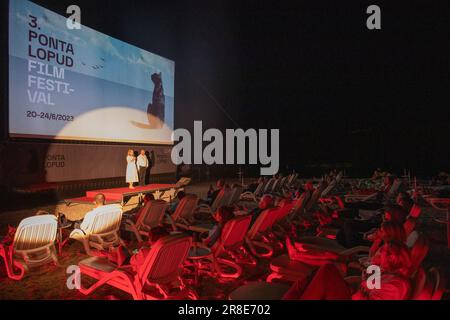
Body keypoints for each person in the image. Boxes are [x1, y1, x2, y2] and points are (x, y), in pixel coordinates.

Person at [283, 241, 412, 300]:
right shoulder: (385, 274)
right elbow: (368, 288)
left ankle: (297, 255)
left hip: (352, 295)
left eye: (384, 251)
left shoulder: (396, 285)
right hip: (352, 291)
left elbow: (365, 294)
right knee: (310, 278)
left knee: (328, 270)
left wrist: (359, 287)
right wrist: (364, 280)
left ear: (394, 259)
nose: (379, 251)